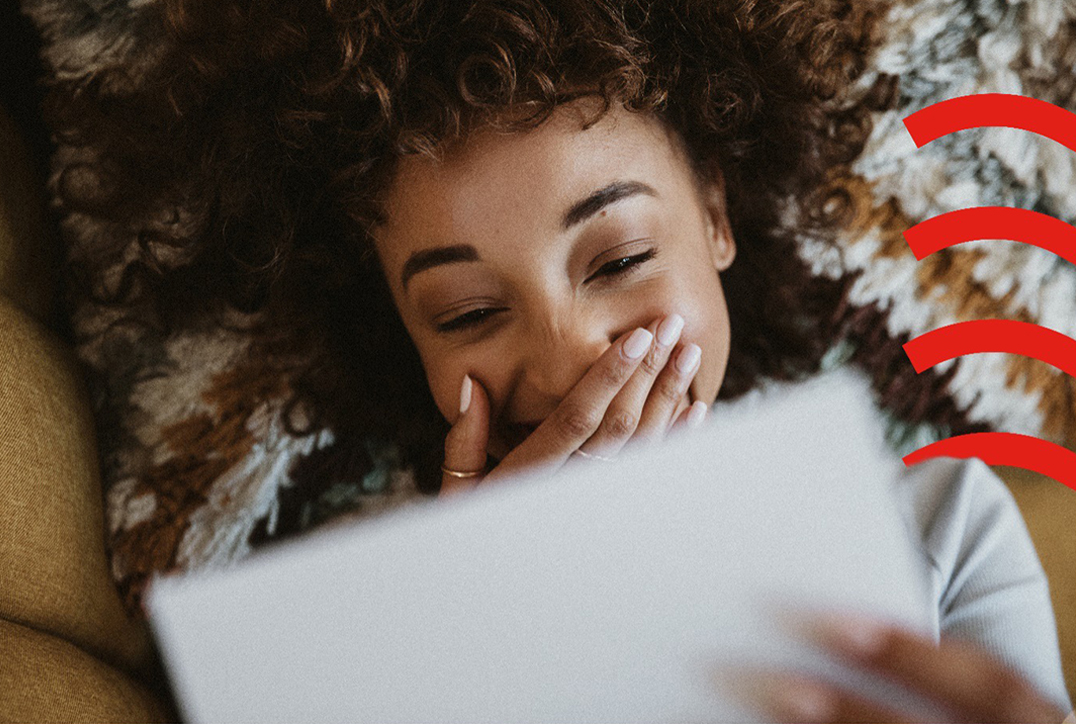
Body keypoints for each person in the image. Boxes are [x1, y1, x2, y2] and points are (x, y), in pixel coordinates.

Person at [48, 0, 1072, 720]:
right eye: (467, 310)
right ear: (402, 341)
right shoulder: (350, 644)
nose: (567, 353)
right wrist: (479, 607)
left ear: (713, 214)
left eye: (619, 257)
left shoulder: (940, 524)